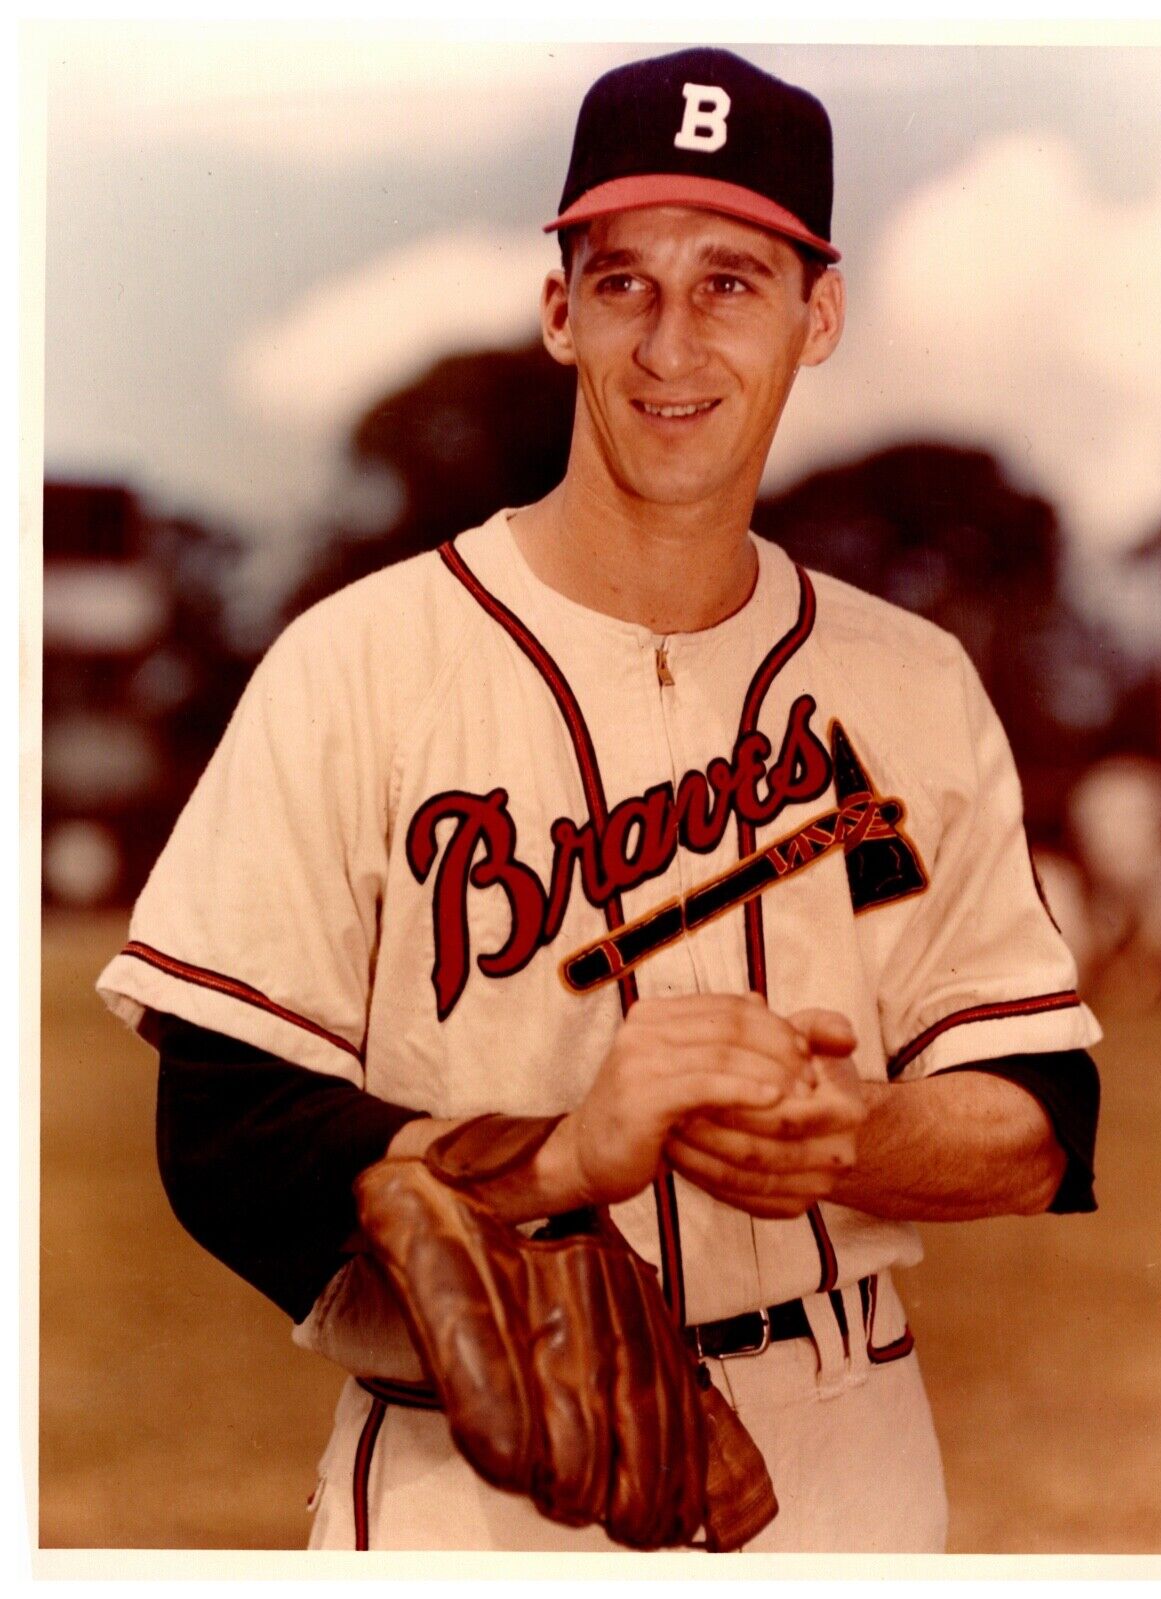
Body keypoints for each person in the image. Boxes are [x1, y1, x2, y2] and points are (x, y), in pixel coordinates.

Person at [98, 46, 1102, 1554]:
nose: (670, 343)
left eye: (732, 283)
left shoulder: (902, 693)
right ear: (558, 309)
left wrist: (853, 1130)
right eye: (625, 282)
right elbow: (224, 1125)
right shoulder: (362, 665)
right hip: (477, 1466)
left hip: (846, 1447)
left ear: (817, 316)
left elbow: (1038, 1108)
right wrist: (568, 1154)